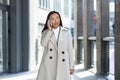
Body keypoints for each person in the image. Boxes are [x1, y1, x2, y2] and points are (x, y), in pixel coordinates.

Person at [36, 11, 74, 80]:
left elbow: (70, 50)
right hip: (49, 64)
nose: (56, 20)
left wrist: (72, 66)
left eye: (57, 18)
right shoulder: (45, 32)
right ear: (49, 21)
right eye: (53, 19)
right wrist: (50, 31)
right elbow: (43, 44)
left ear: (60, 19)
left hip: (63, 64)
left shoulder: (66, 32)